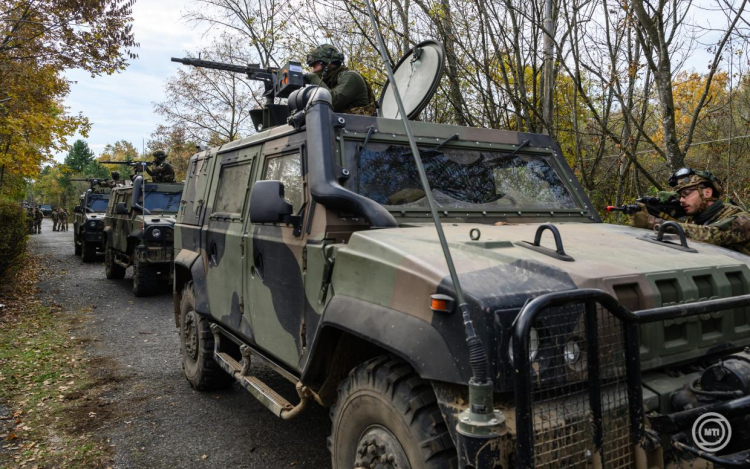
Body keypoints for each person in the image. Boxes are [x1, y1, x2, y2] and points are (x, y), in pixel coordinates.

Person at [630, 168, 750, 255]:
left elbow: (716, 235)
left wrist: (658, 224)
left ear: (707, 193)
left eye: (686, 194)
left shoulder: (742, 219)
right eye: (680, 196)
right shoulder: (695, 219)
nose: (681, 200)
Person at [303, 44, 376, 115]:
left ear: (328, 63)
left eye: (315, 65)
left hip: (358, 122)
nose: (313, 70)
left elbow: (331, 102)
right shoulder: (331, 82)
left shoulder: (351, 77)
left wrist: (313, 78)